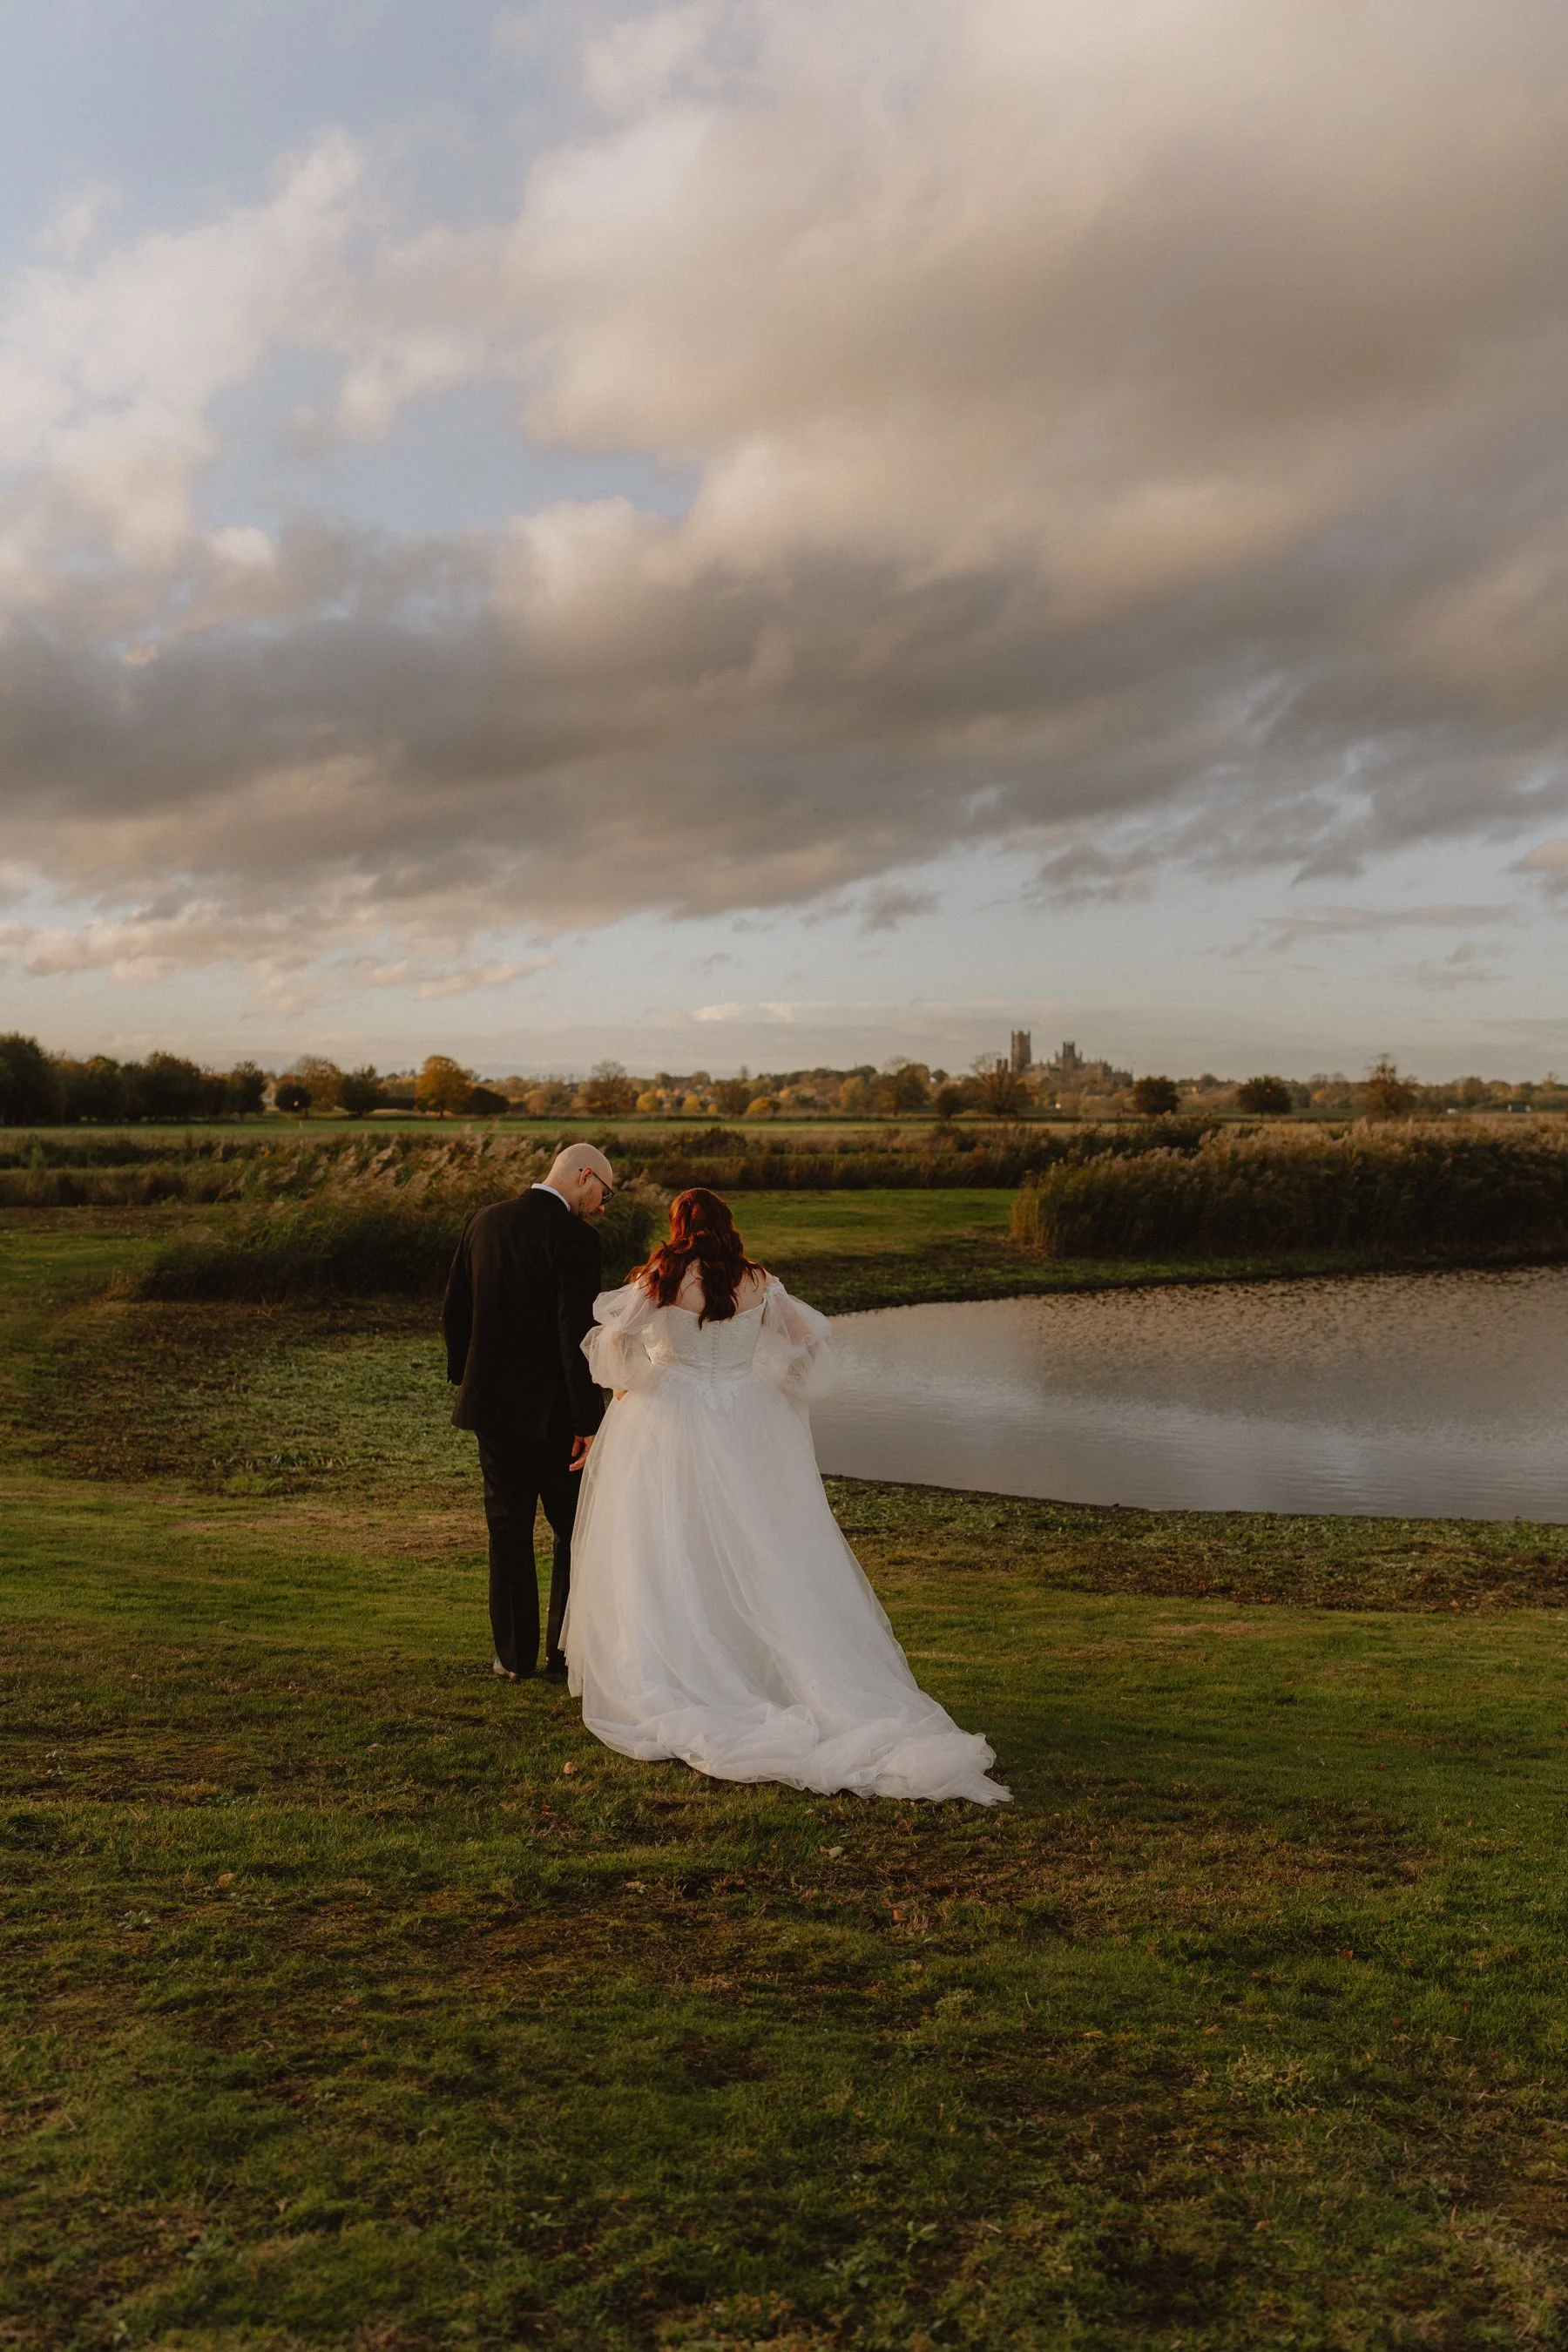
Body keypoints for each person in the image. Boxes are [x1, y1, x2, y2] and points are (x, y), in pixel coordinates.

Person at [564, 1187, 1009, 1804]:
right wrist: (775, 1381)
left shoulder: (662, 1275)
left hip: (671, 1420)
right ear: (727, 1225)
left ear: (679, 1225)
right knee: (761, 1540)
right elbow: (810, 1344)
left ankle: (681, 1662)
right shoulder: (757, 1281)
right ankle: (769, 1663)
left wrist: (637, 1378)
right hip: (746, 1418)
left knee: (668, 1540)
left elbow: (613, 1339)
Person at [443, 1143, 615, 1680]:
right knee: (574, 1531)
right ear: (584, 1175)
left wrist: (468, 1378)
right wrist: (588, 1422)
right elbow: (575, 1335)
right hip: (556, 1418)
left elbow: (455, 1309)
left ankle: (514, 1659)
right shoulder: (577, 1239)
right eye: (604, 1193)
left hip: (491, 1409)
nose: (602, 1205)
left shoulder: (484, 1221)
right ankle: (565, 1655)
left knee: (508, 1530)